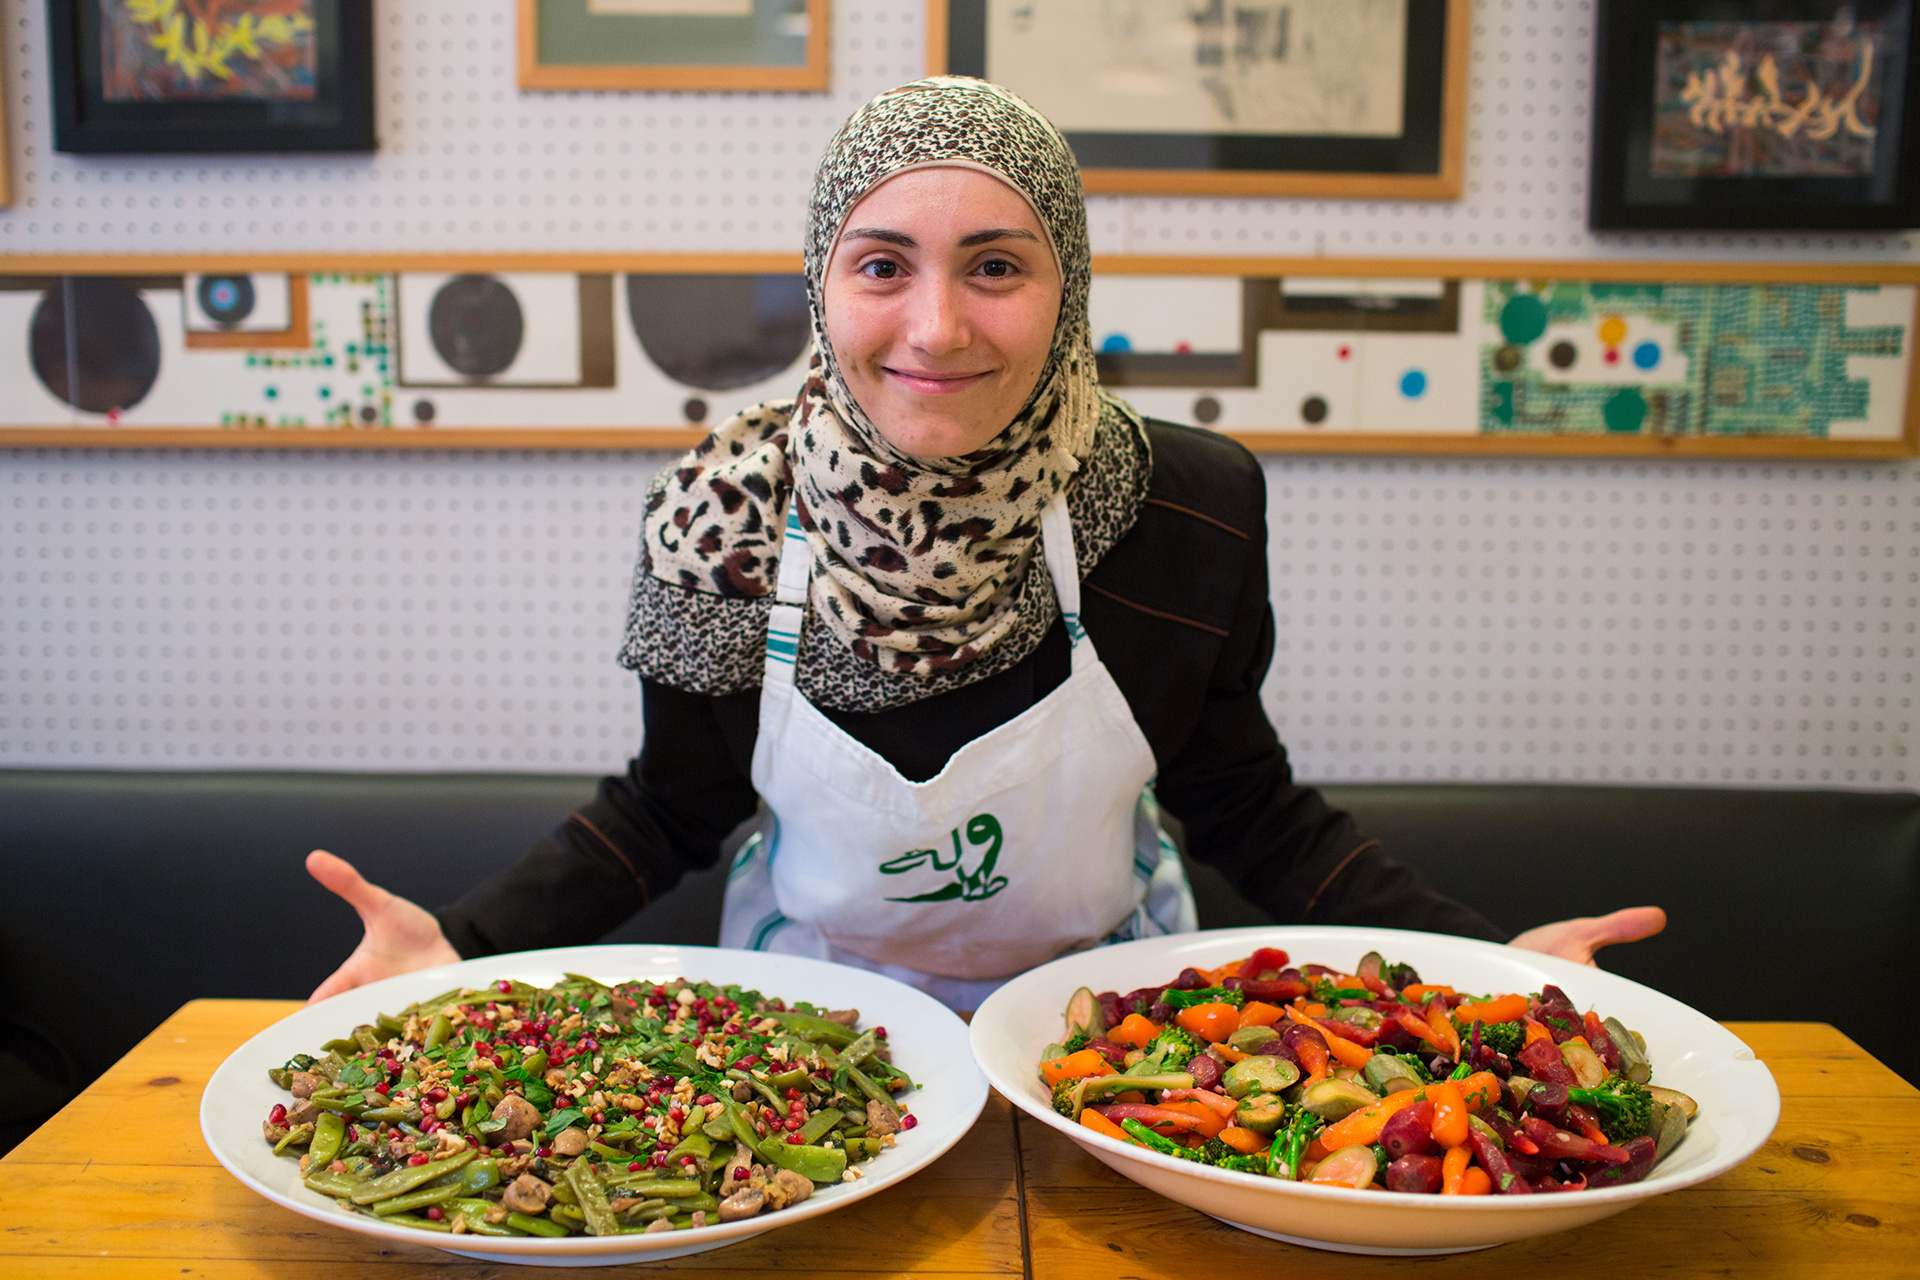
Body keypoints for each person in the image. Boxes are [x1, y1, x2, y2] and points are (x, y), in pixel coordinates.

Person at [308, 77, 1664, 1007]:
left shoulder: (1188, 504)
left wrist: (1496, 967)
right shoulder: (721, 514)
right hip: (811, 1031)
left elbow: (1249, 809)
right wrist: (461, 947)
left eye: (998, 266)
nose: (938, 327)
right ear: (822, 285)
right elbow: (671, 806)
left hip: (1110, 1035)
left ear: (1068, 289)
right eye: (882, 264)